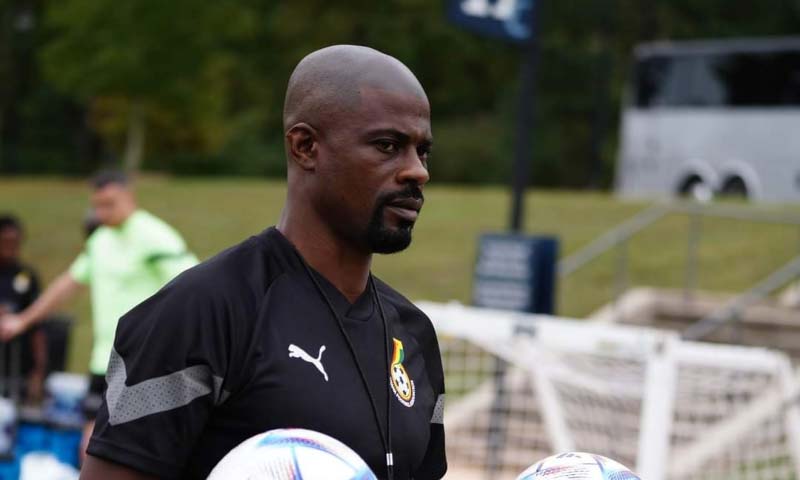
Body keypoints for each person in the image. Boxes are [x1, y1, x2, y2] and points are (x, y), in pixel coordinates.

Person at [80, 45, 446, 480]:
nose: (417, 171)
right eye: (388, 146)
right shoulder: (202, 312)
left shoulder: (414, 336)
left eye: (422, 151)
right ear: (305, 146)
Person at [0, 171, 198, 463]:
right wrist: (23, 320)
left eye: (109, 204)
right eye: (97, 206)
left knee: (131, 449)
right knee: (91, 443)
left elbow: (193, 285)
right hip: (103, 360)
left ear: (129, 197)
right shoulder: (100, 241)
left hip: (144, 361)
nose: (102, 213)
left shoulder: (153, 235)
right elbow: (67, 284)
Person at [0, 215, 47, 403]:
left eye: (15, 242)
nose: (10, 247)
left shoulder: (27, 276)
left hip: (18, 365)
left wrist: (39, 371)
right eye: (5, 241)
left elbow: (37, 326)